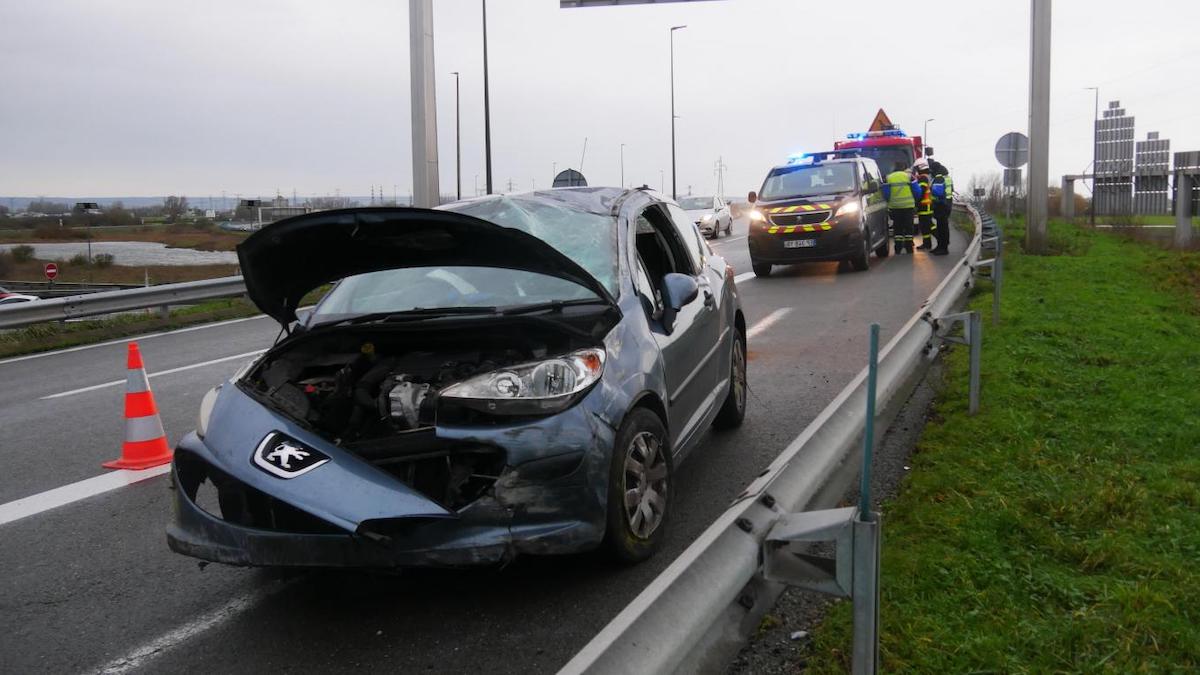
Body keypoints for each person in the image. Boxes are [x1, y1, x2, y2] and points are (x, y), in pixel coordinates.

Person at [882, 161, 918, 254]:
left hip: (895, 207)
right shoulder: (909, 176)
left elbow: (886, 194)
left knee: (898, 227)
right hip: (908, 206)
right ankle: (909, 247)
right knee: (909, 227)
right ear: (904, 167)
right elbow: (917, 191)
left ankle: (898, 248)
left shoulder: (889, 177)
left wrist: (890, 202)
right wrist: (915, 200)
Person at [929, 160, 954, 255]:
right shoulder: (946, 177)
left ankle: (943, 248)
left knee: (942, 228)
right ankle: (940, 246)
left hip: (941, 205)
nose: (931, 173)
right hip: (946, 204)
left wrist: (931, 191)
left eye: (932, 170)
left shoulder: (939, 178)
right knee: (941, 227)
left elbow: (938, 192)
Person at [914, 163, 934, 250]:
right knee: (925, 226)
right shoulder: (926, 177)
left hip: (924, 206)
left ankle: (940, 240)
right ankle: (927, 244)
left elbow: (921, 192)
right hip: (926, 205)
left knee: (927, 225)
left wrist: (916, 203)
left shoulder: (922, 178)